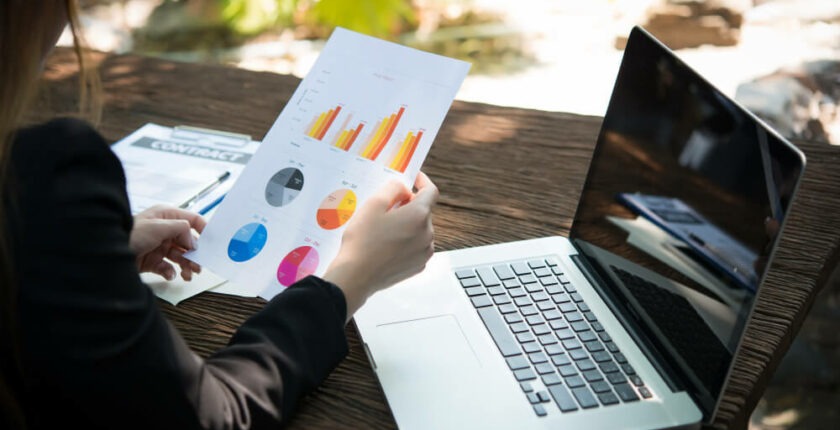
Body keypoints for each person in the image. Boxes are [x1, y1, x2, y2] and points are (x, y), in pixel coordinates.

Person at [0, 1, 438, 429]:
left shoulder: (33, 199)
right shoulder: (42, 176)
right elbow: (217, 413)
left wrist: (81, 254)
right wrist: (351, 280)